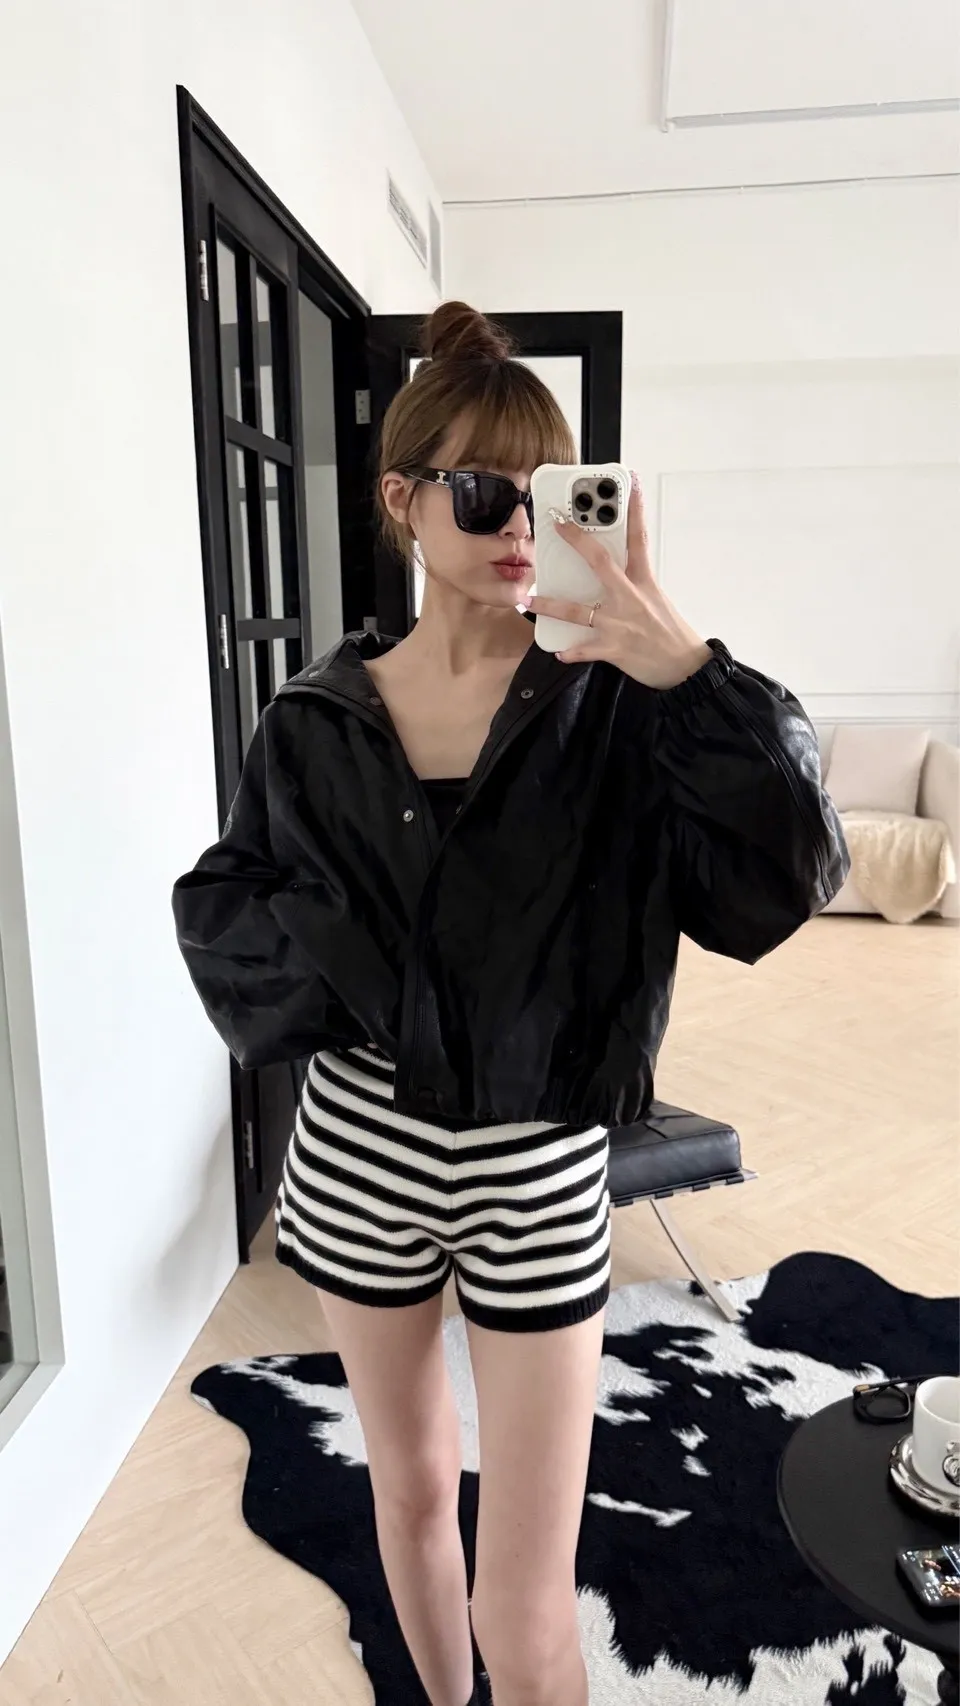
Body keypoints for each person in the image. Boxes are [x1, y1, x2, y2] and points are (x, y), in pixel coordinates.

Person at [173, 301, 848, 1706]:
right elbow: (228, 904)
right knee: (411, 1493)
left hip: (538, 1159)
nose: (518, 526)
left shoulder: (619, 710)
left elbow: (785, 878)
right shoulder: (314, 718)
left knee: (528, 1599)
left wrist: (683, 664)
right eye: (483, 492)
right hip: (358, 1154)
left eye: (544, 494)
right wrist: (362, 971)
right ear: (401, 500)